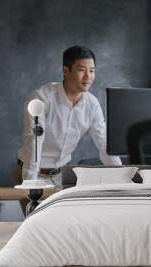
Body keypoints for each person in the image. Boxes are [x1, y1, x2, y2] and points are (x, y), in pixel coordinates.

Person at [16, 45, 122, 187]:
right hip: (32, 171)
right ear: (65, 71)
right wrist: (30, 185)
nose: (88, 77)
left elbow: (104, 145)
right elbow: (34, 143)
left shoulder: (92, 104)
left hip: (61, 176)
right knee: (37, 210)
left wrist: (122, 178)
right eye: (81, 70)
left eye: (92, 71)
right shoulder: (41, 98)